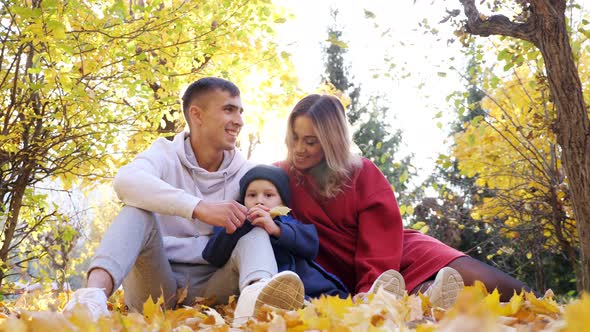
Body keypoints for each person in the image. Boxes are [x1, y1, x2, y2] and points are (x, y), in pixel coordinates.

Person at [63, 77, 304, 321]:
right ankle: (89, 300)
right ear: (197, 115)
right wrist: (199, 208)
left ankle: (257, 298)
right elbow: (125, 181)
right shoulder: (164, 154)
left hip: (217, 285)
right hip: (155, 285)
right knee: (135, 211)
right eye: (229, 110)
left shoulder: (247, 172)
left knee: (254, 226)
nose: (239, 121)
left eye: (240, 112)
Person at [276, 94, 536, 308]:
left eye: (310, 141)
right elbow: (250, 192)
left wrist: (372, 287)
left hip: (394, 253)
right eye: (295, 138)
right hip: (346, 274)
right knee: (434, 295)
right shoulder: (281, 176)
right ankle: (431, 298)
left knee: (514, 292)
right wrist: (370, 294)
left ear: (331, 142)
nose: (299, 148)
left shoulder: (361, 172)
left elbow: (381, 238)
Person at [203, 164, 407, 302]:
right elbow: (212, 255)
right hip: (266, 288)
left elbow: (311, 245)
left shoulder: (289, 222)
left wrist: (277, 229)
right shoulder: (235, 221)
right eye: (252, 195)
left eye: (269, 195)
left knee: (333, 301)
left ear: (282, 202)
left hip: (311, 287)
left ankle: (376, 301)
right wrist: (237, 227)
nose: (260, 201)